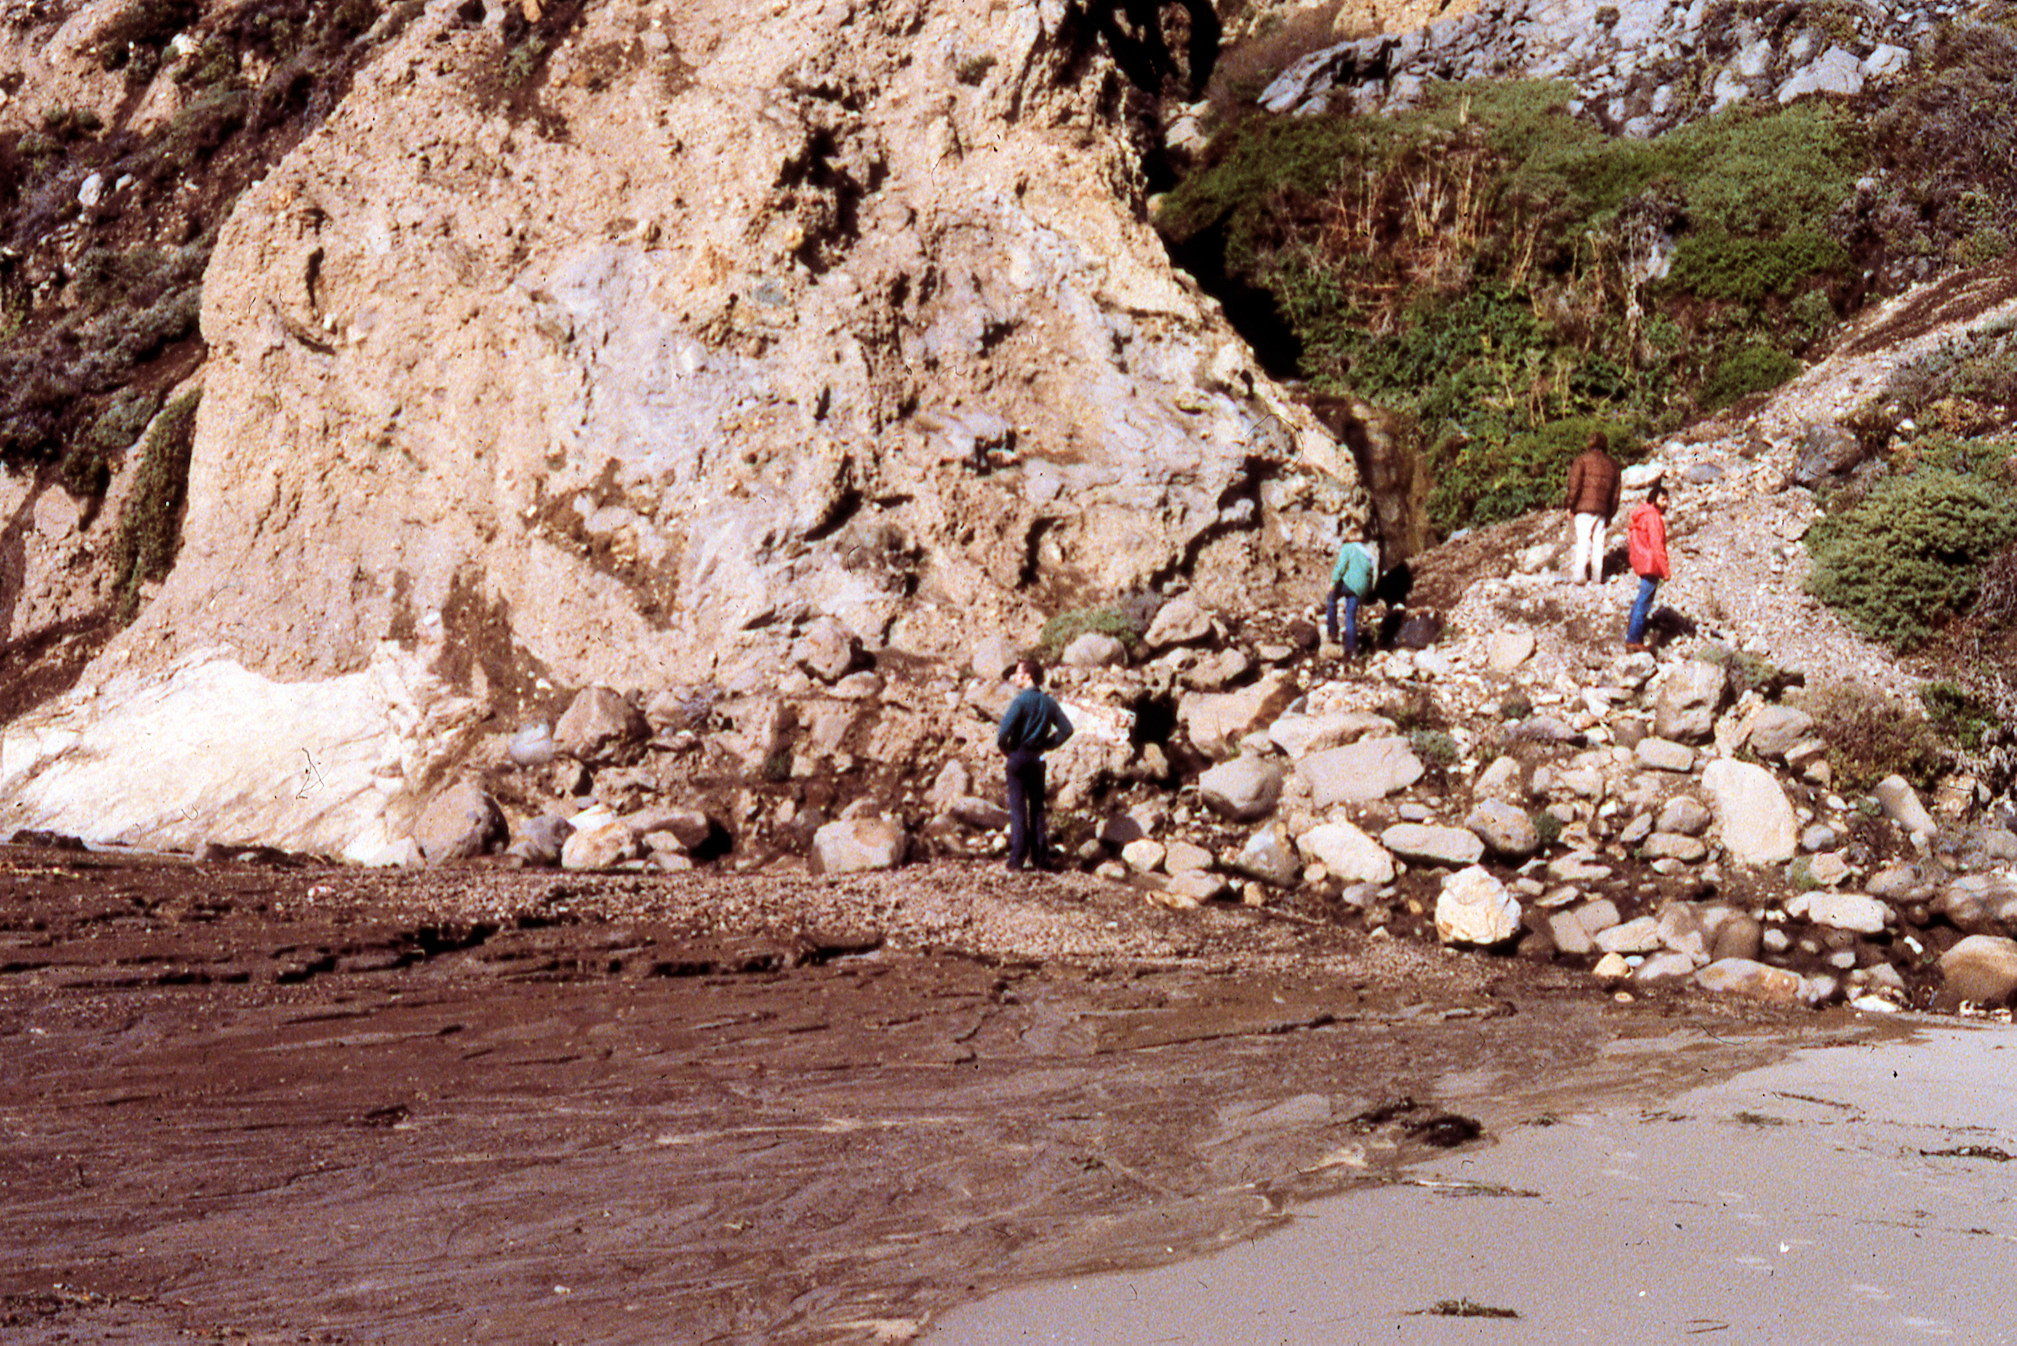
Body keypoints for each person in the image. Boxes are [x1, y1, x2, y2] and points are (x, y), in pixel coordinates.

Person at [996, 656, 1074, 871]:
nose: (1014, 676)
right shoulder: (1049, 702)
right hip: (1037, 758)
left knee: (1018, 806)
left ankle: (1017, 859)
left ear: (1027, 676)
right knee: (1037, 807)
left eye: (1018, 673)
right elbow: (1067, 729)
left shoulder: (1020, 701)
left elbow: (1003, 732)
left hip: (1019, 755)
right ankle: (1041, 858)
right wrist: (1049, 744)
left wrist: (1006, 750)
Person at [1564, 430, 1622, 584]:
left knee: (1583, 541)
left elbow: (1574, 486)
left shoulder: (1581, 461)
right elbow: (1616, 494)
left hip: (1583, 508)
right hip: (1602, 510)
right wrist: (1610, 513)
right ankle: (1597, 577)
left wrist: (1570, 505)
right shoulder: (1613, 465)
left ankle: (1579, 576)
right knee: (1599, 543)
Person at [1625, 480, 1670, 652]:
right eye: (1663, 499)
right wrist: (1665, 571)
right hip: (1651, 563)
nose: (1666, 504)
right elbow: (1658, 546)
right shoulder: (1653, 518)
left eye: (1667, 500)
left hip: (1641, 561)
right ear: (1654, 499)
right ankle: (1634, 639)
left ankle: (1632, 628)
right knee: (1644, 601)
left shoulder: (1641, 515)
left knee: (1641, 599)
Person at [1327, 535, 1378, 656]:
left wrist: (1333, 582)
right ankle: (1353, 649)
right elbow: (1372, 575)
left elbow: (1341, 566)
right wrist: (1368, 592)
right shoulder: (1367, 553)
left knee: (1331, 598)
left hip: (1350, 585)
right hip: (1361, 589)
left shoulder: (1348, 547)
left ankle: (1333, 632)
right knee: (1350, 616)